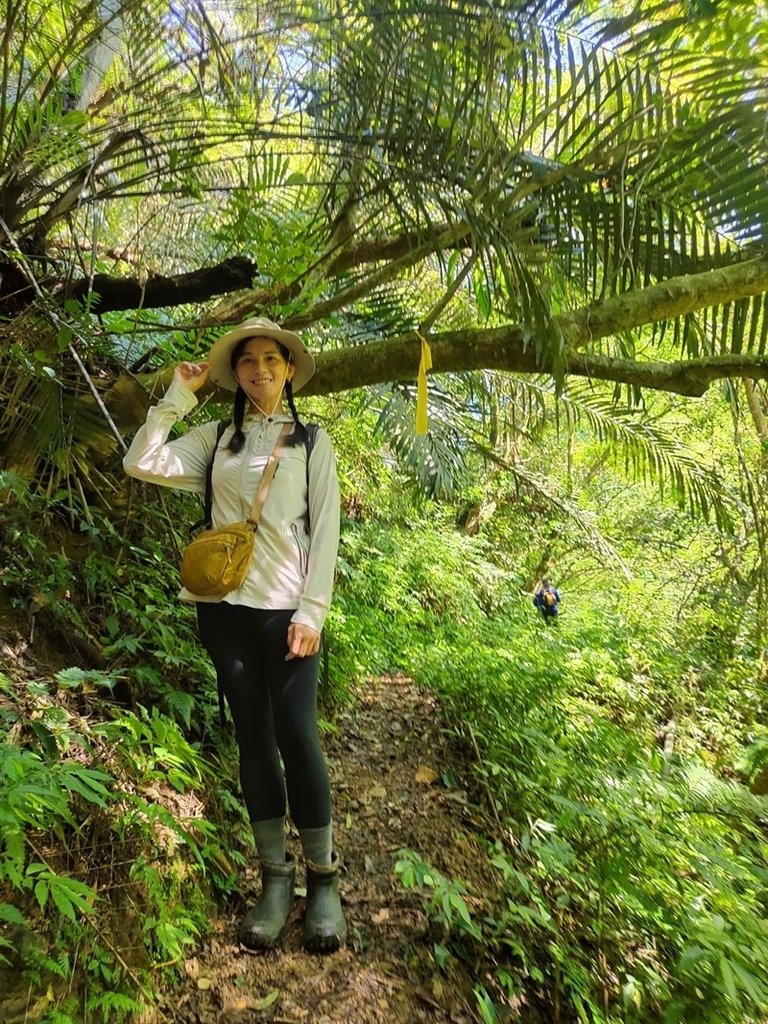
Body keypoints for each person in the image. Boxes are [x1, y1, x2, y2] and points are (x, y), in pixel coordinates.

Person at [123, 316, 345, 954]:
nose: (260, 371)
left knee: (299, 736)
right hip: (222, 610)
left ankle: (323, 879)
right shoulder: (216, 439)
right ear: (236, 373)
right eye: (248, 362)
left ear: (287, 369)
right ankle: (275, 880)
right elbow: (142, 462)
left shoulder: (311, 443)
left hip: (286, 613)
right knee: (253, 736)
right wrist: (176, 397)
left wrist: (313, 612)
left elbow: (326, 530)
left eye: (271, 359)